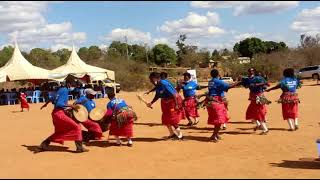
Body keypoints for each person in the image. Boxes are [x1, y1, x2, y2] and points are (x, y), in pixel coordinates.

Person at [39, 81, 88, 153]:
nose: (74, 87)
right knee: (77, 127)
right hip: (59, 114)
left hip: (56, 114)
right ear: (69, 84)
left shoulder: (60, 90)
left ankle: (44, 144)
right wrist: (71, 106)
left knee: (62, 131)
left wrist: (45, 104)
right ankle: (79, 147)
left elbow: (52, 98)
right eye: (74, 85)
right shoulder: (65, 90)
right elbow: (59, 103)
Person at [199, 69, 241, 142]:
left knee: (216, 119)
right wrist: (238, 82)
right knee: (219, 119)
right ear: (218, 74)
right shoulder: (218, 81)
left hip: (210, 102)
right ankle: (214, 135)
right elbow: (229, 86)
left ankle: (216, 134)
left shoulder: (210, 82)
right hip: (216, 102)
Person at [147, 72, 185, 140]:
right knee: (165, 118)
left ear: (156, 78)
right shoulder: (158, 85)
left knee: (172, 118)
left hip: (173, 101)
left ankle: (180, 135)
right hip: (165, 102)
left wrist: (176, 105)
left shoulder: (164, 84)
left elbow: (173, 95)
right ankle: (172, 134)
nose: (151, 81)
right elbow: (157, 95)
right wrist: (151, 103)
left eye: (151, 80)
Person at [242, 68, 271, 135]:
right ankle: (259, 125)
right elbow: (246, 86)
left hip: (259, 96)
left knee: (259, 112)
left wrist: (256, 85)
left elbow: (267, 84)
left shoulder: (258, 78)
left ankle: (265, 129)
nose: (250, 72)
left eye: (252, 71)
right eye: (249, 71)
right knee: (250, 113)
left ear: (254, 72)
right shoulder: (247, 79)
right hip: (252, 97)